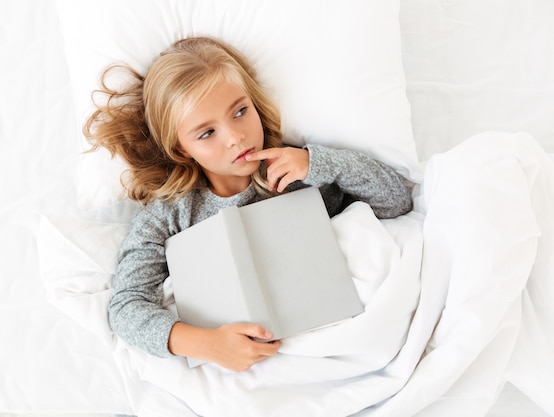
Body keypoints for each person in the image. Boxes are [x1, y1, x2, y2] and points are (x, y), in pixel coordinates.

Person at [83, 36, 413, 372]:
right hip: (240, 363)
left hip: (338, 334)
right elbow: (125, 307)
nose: (234, 136)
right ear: (182, 150)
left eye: (240, 112)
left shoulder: (297, 169)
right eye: (207, 133)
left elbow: (396, 202)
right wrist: (206, 344)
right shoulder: (168, 215)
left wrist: (319, 163)